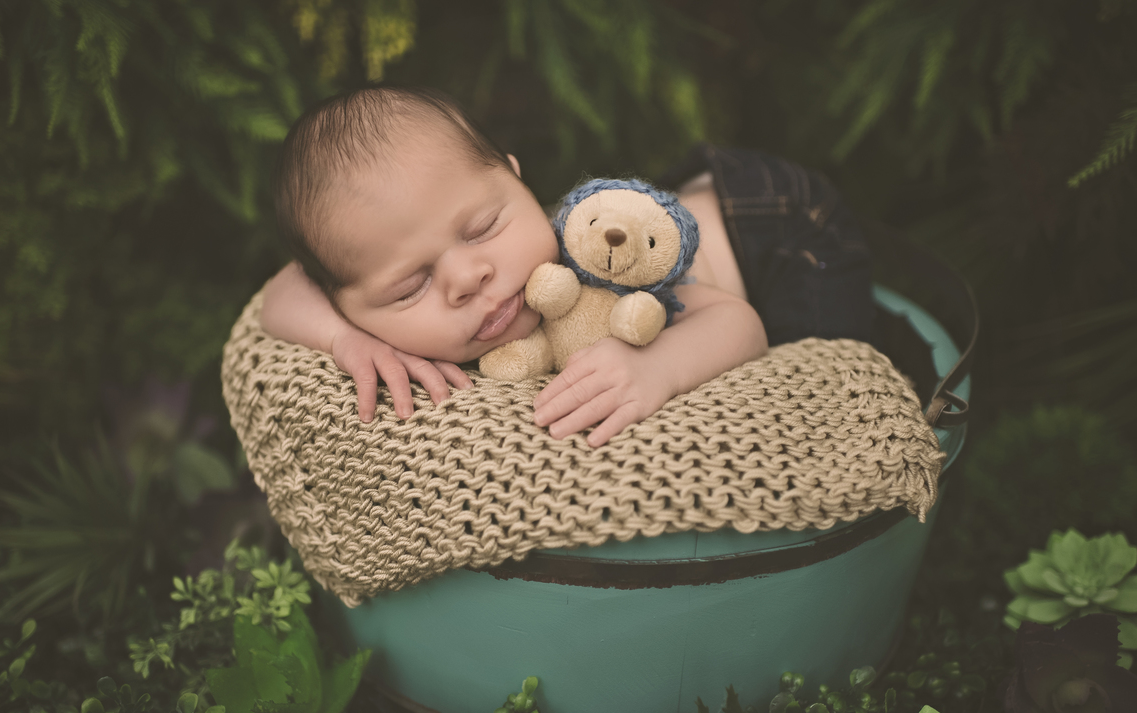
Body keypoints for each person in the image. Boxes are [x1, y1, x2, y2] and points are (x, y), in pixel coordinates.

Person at [261, 86, 873, 447]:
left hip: (777, 232)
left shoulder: (584, 268)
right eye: (410, 285)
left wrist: (656, 365)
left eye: (482, 229)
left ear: (515, 177)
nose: (468, 276)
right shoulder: (355, 307)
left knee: (816, 374)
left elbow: (739, 325)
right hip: (697, 205)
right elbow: (281, 294)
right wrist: (340, 338)